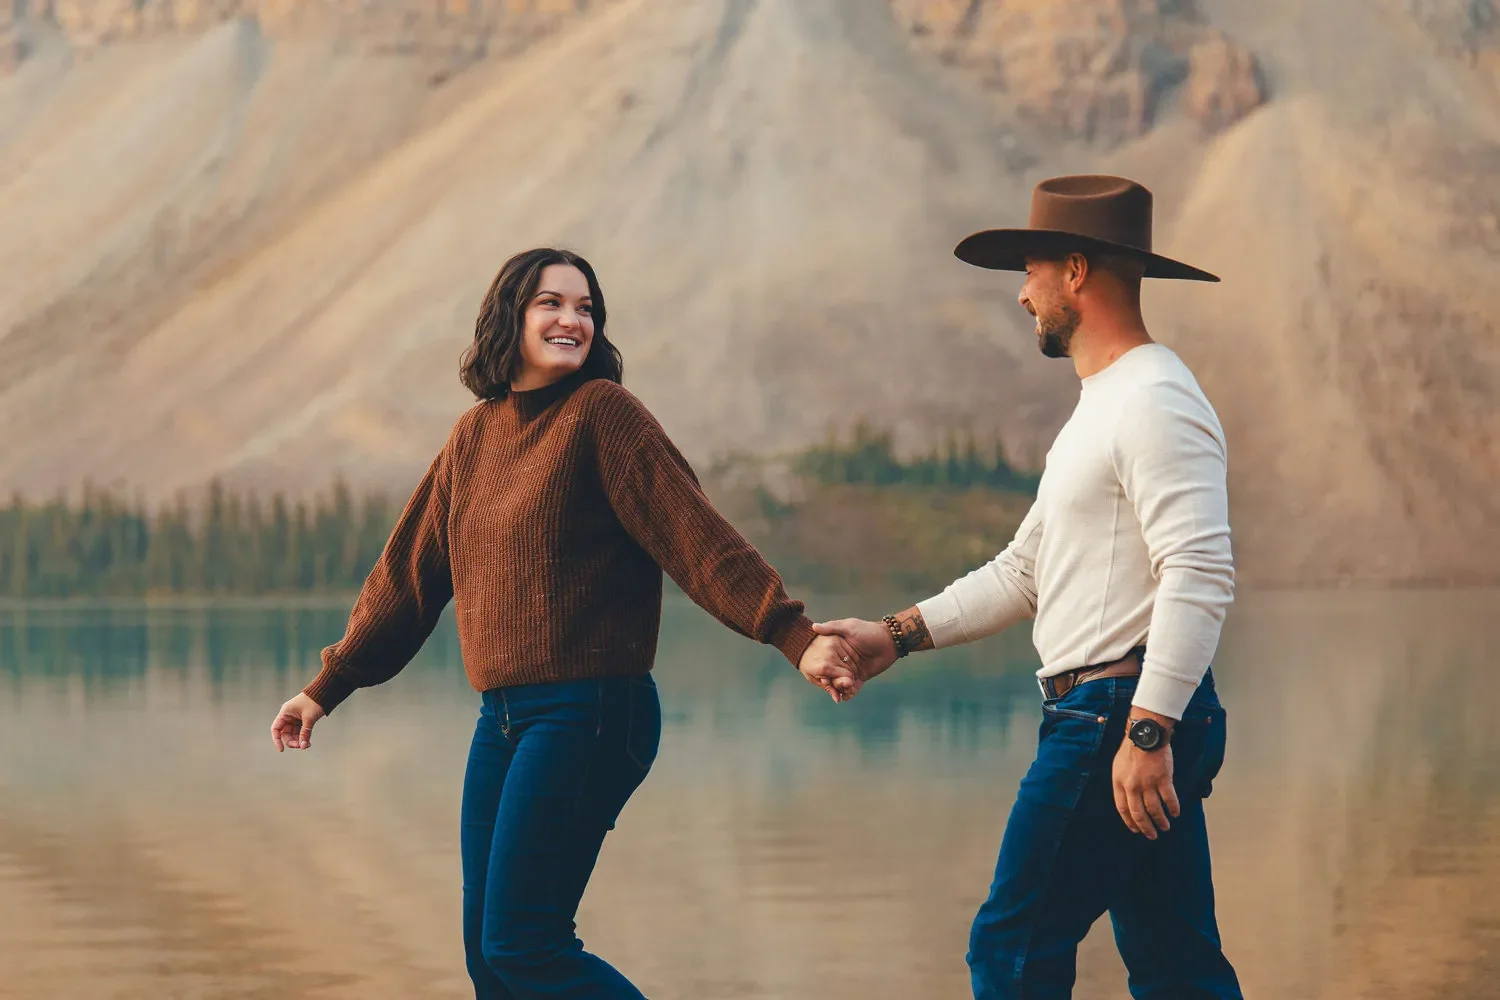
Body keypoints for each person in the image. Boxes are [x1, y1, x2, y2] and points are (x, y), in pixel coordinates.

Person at [268, 247, 861, 1000]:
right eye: (551, 303)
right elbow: (408, 578)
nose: (572, 319)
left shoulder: (602, 416)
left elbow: (694, 535)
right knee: (491, 960)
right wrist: (327, 686)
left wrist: (791, 634)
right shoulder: (474, 437)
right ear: (508, 317)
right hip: (504, 718)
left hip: (590, 710)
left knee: (525, 944)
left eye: (585, 308)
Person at [814, 176, 1244, 999]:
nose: (1022, 294)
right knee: (1176, 966)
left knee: (1010, 953)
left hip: (1117, 718)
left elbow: (1199, 570)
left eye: (1032, 270)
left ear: (1076, 271)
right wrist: (892, 635)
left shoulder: (1155, 398)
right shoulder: (1106, 403)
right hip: (1120, 715)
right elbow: (1023, 571)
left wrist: (1149, 734)